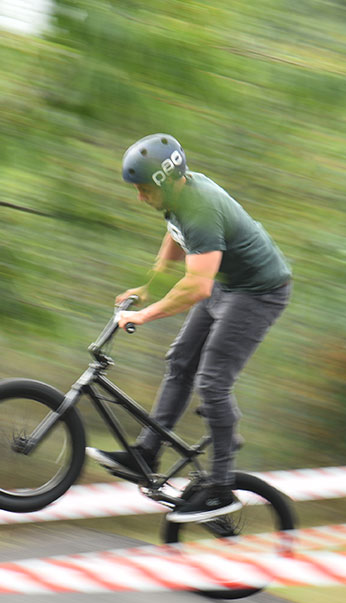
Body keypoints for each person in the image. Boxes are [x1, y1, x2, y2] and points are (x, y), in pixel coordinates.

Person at [86, 134, 292, 523]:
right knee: (180, 360)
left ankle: (220, 487)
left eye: (144, 189)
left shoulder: (199, 206)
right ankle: (148, 450)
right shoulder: (178, 196)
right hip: (228, 285)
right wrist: (153, 286)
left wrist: (145, 316)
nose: (140, 198)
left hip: (260, 293)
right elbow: (175, 235)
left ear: (164, 182)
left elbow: (197, 286)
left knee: (213, 381)